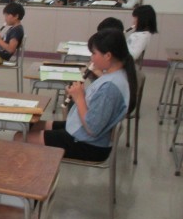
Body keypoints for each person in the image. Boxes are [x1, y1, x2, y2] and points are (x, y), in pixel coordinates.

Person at [19, 29, 137, 161]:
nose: (91, 58)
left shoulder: (110, 87)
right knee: (28, 126)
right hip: (81, 130)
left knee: (20, 137)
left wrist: (79, 98)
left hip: (89, 144)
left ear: (108, 56)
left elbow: (92, 128)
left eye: (94, 53)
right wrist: (81, 94)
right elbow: (96, 107)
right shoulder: (114, 75)